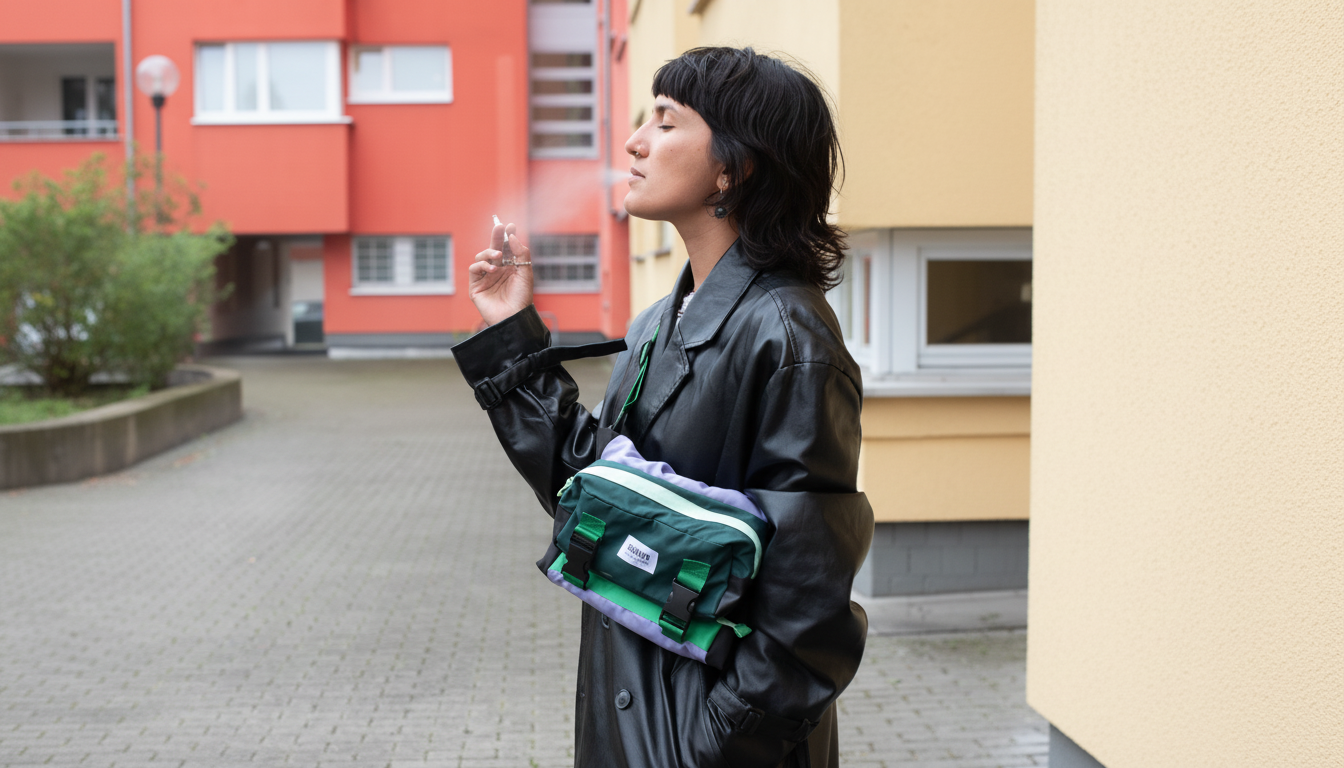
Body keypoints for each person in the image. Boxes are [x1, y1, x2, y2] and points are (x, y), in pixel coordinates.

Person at [452, 47, 872, 768]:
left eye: (666, 121)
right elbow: (589, 494)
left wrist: (709, 746)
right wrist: (509, 333)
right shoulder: (657, 324)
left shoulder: (788, 336)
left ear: (732, 169)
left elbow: (808, 608)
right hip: (635, 716)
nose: (634, 142)